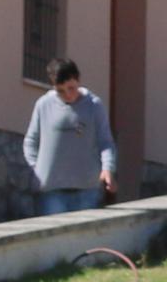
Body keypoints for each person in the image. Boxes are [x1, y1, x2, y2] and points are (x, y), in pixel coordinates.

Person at [23, 60, 117, 215]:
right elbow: (30, 141)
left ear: (78, 80)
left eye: (71, 88)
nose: (67, 94)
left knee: (85, 238)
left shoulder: (94, 106)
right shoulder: (43, 105)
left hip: (87, 190)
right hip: (51, 192)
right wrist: (36, 168)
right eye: (61, 91)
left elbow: (105, 142)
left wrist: (108, 168)